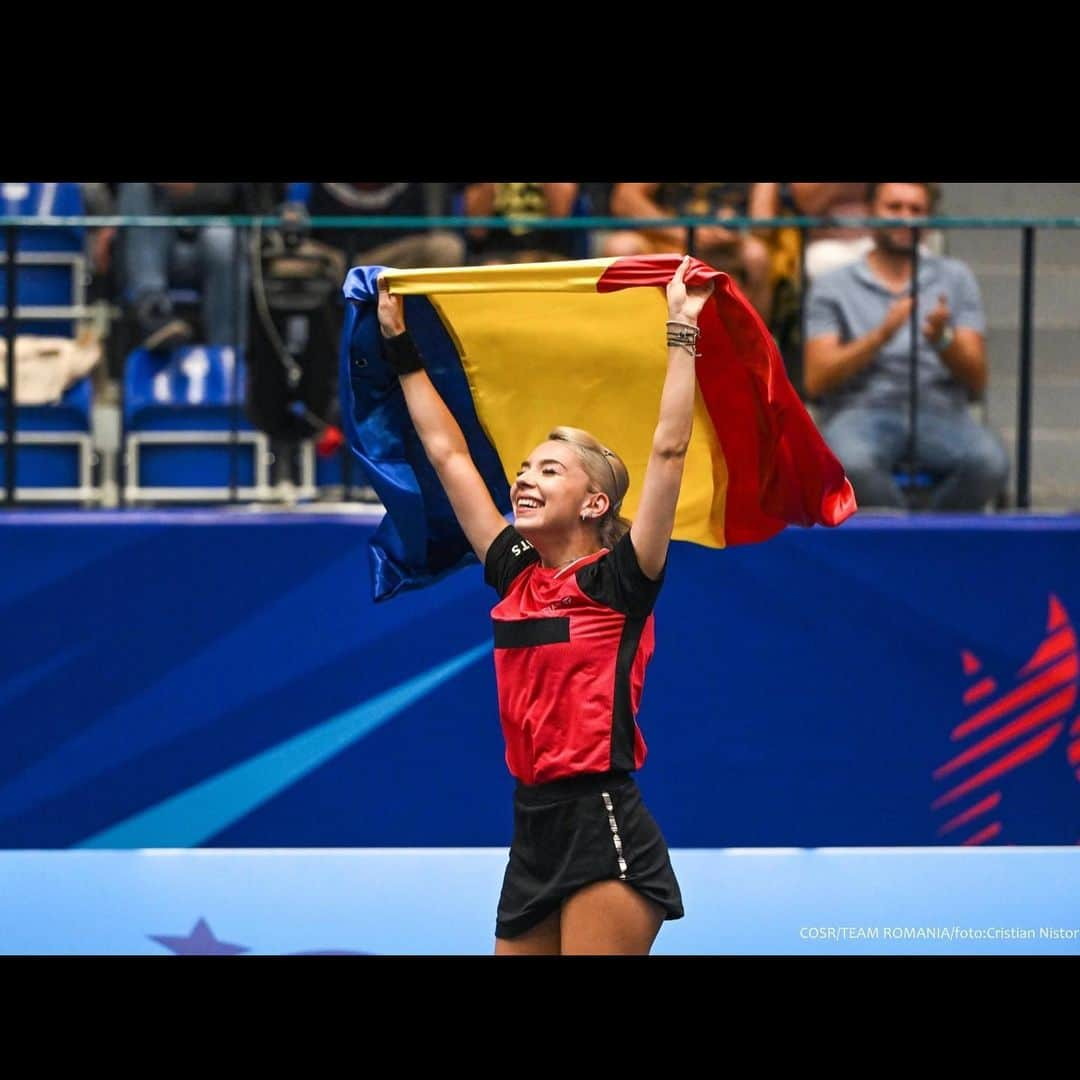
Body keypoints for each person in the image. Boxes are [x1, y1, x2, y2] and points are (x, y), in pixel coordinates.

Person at [374, 255, 712, 955]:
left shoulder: (621, 581)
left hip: (602, 822)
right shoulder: (518, 573)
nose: (525, 478)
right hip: (532, 827)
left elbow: (671, 449)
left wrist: (681, 332)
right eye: (525, 469)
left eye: (548, 470)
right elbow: (449, 456)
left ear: (595, 503)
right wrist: (400, 346)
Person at [804, 181, 1009, 510]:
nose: (905, 218)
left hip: (940, 409)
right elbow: (816, 379)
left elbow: (977, 380)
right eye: (894, 207)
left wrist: (943, 340)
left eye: (916, 210)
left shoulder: (955, 278)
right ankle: (905, 540)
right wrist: (880, 336)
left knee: (989, 464)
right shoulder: (833, 285)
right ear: (871, 212)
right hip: (859, 410)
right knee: (850, 465)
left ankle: (928, 541)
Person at [602, 183, 773, 319]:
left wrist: (734, 230)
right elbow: (624, 199)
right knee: (621, 246)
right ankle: (626, 341)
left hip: (726, 245)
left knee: (756, 255)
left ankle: (752, 351)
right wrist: (685, 232)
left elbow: (764, 225)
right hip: (667, 239)